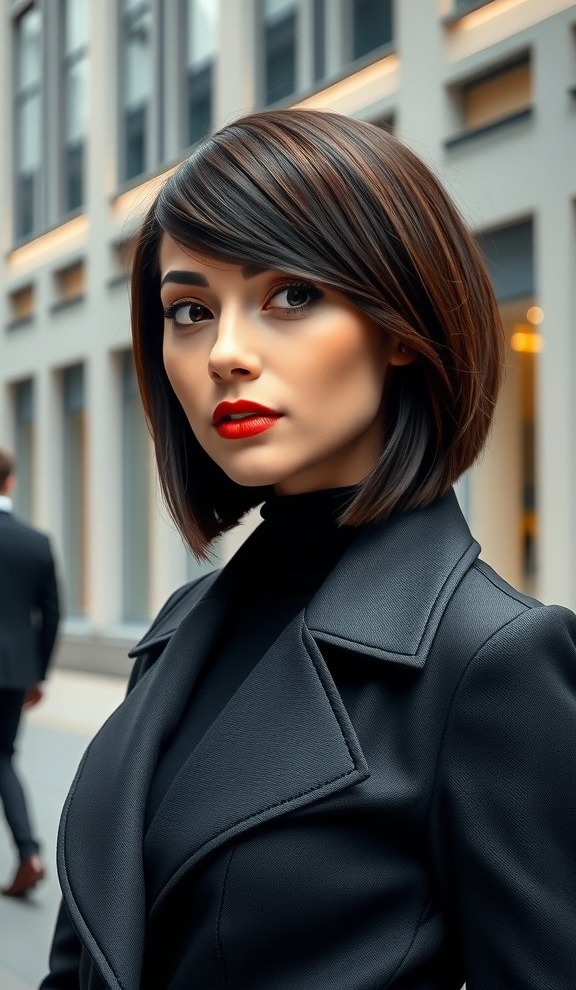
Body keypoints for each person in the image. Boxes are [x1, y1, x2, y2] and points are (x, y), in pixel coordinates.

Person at [41, 110, 576, 989]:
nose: (226, 354)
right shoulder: (183, 627)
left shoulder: (494, 661)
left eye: (291, 295)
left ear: (401, 324)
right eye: (189, 310)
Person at [0, 447, 60, 896]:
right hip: (15, 671)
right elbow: (52, 615)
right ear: (10, 482)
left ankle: (27, 853)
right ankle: (29, 853)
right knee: (3, 757)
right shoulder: (35, 542)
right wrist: (37, 674)